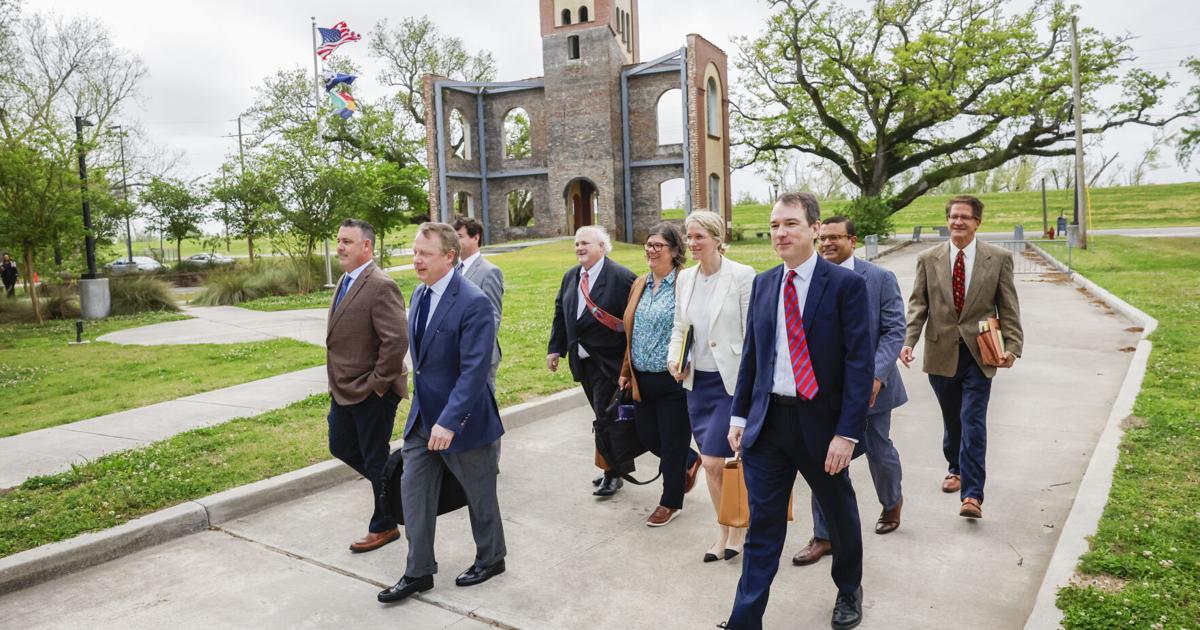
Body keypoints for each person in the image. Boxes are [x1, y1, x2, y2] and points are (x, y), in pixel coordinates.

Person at [723, 192, 872, 630]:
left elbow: (858, 364)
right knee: (763, 526)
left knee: (839, 514)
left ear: (813, 228)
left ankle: (849, 588)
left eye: (789, 223)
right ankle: (744, 618)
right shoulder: (765, 284)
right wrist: (738, 416)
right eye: (774, 225)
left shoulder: (845, 285)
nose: (780, 233)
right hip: (768, 424)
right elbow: (753, 355)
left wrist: (847, 433)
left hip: (821, 427)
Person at [378, 222, 506, 603]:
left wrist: (449, 421)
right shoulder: (418, 295)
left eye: (425, 253)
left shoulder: (473, 302)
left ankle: (492, 557)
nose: (416, 259)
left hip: (465, 421)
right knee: (413, 493)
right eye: (415, 252)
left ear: (449, 257)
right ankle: (418, 571)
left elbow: (474, 371)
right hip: (422, 419)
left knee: (480, 496)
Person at [792, 216, 908, 569]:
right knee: (821, 461)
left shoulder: (879, 279)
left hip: (872, 390)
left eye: (834, 238)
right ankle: (823, 535)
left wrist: (873, 376)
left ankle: (891, 502)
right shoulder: (808, 279)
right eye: (822, 237)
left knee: (878, 450)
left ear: (853, 241)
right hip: (824, 394)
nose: (826, 244)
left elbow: (894, 330)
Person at [900, 195, 1023, 520]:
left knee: (973, 421)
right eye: (953, 216)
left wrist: (1012, 346)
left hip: (980, 353)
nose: (957, 222)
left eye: (965, 217)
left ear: (977, 222)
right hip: (940, 352)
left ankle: (972, 495)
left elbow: (1008, 306)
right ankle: (954, 467)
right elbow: (918, 305)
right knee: (953, 419)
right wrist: (908, 340)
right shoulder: (928, 258)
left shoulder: (997, 258)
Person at [667, 209, 756, 562]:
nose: (692, 243)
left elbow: (753, 334)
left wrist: (754, 383)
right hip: (697, 382)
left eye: (699, 237)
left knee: (722, 462)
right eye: (689, 237)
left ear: (718, 239)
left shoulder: (742, 276)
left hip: (730, 381)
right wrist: (674, 358)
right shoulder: (685, 279)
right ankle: (725, 529)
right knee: (709, 463)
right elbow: (679, 327)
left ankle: (738, 528)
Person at [325, 219, 409, 554]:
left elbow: (396, 341)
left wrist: (377, 385)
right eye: (339, 240)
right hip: (344, 388)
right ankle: (401, 489)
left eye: (347, 241)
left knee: (374, 458)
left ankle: (384, 524)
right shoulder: (346, 281)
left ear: (367, 247)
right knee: (341, 446)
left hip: (372, 391)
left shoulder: (380, 285)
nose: (340, 247)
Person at [617, 223, 702, 527]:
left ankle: (670, 501)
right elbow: (633, 332)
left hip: (673, 380)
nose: (651, 251)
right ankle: (690, 461)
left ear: (676, 252)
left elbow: (694, 328)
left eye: (658, 246)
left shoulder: (685, 283)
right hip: (641, 377)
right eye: (648, 245)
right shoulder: (639, 284)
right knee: (648, 436)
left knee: (672, 441)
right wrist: (626, 371)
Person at [547, 225, 636, 497]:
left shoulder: (621, 277)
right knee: (604, 418)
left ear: (602, 246)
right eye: (576, 244)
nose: (579, 248)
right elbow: (561, 314)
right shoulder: (570, 277)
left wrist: (629, 364)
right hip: (583, 362)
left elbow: (633, 321)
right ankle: (612, 468)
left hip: (610, 365)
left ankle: (614, 473)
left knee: (607, 419)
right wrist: (555, 349)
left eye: (585, 243)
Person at [453, 216, 505, 388]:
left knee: (483, 409)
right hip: (455, 356)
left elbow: (493, 317)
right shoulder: (452, 271)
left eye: (459, 236)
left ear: (476, 237)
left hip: (479, 357)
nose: (455, 240)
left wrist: (476, 352)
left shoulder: (490, 272)